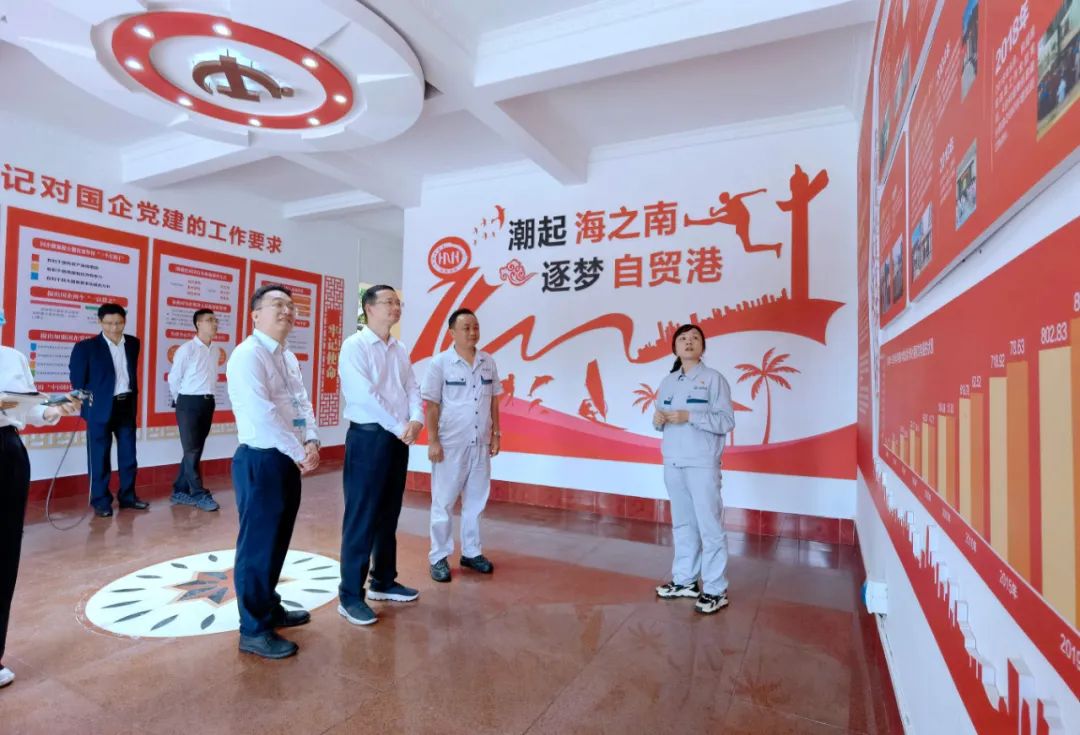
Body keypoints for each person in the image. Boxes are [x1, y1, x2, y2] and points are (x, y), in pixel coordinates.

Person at [226, 284, 320, 659]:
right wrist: (300, 452)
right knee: (257, 547)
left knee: (277, 540)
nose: (287, 311)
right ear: (255, 315)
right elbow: (262, 415)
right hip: (261, 458)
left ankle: (269, 606)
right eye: (277, 304)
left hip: (287, 458)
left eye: (291, 306)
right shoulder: (246, 356)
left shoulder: (287, 356)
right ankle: (253, 629)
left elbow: (301, 402)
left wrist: (311, 439)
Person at [1, 307, 81, 688]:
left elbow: (30, 409)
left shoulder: (13, 358)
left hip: (6, 451)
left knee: (4, 554)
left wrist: (56, 410)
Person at [337, 285, 423, 626]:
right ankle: (350, 596)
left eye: (397, 302)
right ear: (369, 308)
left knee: (389, 512)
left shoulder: (399, 348)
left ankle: (383, 581)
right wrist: (401, 425)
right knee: (362, 516)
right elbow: (364, 395)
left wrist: (416, 419)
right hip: (369, 437)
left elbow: (412, 387)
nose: (395, 307)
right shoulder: (354, 346)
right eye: (388, 302)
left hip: (397, 437)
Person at [652, 324, 736, 614]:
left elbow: (726, 421)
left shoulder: (714, 380)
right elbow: (659, 420)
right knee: (683, 524)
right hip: (672, 461)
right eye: (683, 338)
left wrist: (690, 416)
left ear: (703, 347)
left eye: (695, 338)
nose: (689, 342)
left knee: (709, 526)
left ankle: (715, 589)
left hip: (701, 462)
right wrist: (658, 420)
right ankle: (685, 580)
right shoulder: (667, 381)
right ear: (675, 347)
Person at [421, 308, 501, 583]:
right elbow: (432, 405)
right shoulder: (440, 363)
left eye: (475, 327)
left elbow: (494, 400)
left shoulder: (488, 362)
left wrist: (496, 434)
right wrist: (433, 441)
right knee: (443, 501)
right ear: (452, 332)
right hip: (450, 443)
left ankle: (472, 552)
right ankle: (438, 557)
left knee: (476, 501)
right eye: (466, 328)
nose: (472, 332)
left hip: (480, 442)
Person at [69, 303, 146, 518]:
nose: (114, 328)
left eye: (119, 323)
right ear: (100, 322)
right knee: (99, 457)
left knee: (129, 455)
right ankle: (101, 501)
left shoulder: (133, 343)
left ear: (124, 322)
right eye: (109, 323)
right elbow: (77, 379)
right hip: (99, 408)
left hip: (125, 405)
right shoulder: (86, 347)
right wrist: (84, 401)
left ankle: (128, 497)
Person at [167, 309, 221, 512]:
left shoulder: (215, 350)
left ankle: (179, 490)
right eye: (209, 320)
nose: (214, 323)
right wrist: (180, 401)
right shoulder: (187, 349)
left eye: (215, 320)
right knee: (191, 450)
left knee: (195, 448)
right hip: (188, 402)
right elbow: (174, 378)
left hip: (207, 402)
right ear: (198, 324)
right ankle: (198, 494)